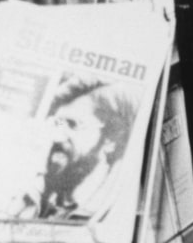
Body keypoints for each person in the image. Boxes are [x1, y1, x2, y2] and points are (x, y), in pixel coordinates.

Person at [38, 79, 138, 222]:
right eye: (57, 123)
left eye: (73, 125)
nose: (57, 137)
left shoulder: (113, 216)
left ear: (110, 141)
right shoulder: (40, 200)